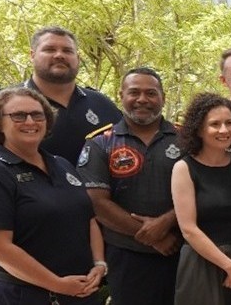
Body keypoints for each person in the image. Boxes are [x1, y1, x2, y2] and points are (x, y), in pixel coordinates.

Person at [0, 26, 121, 282]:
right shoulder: (2, 104)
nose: (59, 55)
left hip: (93, 244)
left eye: (67, 50)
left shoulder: (101, 105)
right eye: (49, 49)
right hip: (24, 246)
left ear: (78, 58)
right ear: (32, 55)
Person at [0, 87, 106, 304]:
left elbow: (88, 219)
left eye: (37, 115)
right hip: (26, 295)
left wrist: (99, 264)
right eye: (18, 116)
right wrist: (57, 284)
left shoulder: (62, 165)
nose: (30, 121)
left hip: (80, 290)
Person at [76, 68, 180, 305]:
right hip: (126, 257)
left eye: (151, 93)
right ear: (120, 95)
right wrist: (151, 236)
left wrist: (166, 222)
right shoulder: (100, 143)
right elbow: (97, 203)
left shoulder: (186, 138)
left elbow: (203, 190)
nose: (142, 99)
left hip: (182, 251)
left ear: (162, 97)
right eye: (134, 92)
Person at [170, 93, 231, 303]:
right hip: (202, 264)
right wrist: (229, 267)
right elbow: (188, 228)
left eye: (229, 123)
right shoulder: (184, 168)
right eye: (215, 124)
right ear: (199, 129)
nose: (224, 130)